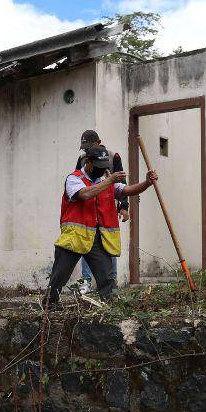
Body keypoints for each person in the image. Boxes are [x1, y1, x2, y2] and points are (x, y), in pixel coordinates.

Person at [45, 144, 158, 307]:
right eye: (99, 167)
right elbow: (85, 194)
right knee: (59, 276)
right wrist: (110, 180)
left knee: (106, 279)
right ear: (88, 162)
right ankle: (49, 306)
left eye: (105, 167)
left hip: (98, 239)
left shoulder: (105, 181)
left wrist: (146, 183)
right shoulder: (74, 178)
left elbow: (126, 190)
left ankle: (113, 308)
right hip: (74, 237)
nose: (102, 170)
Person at [75, 130, 129, 293]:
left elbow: (122, 183)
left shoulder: (113, 157)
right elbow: (78, 179)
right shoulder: (82, 159)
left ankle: (111, 282)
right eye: (84, 148)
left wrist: (124, 207)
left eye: (89, 146)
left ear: (98, 142)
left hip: (107, 207)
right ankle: (85, 281)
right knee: (87, 241)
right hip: (89, 207)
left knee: (109, 242)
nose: (86, 151)